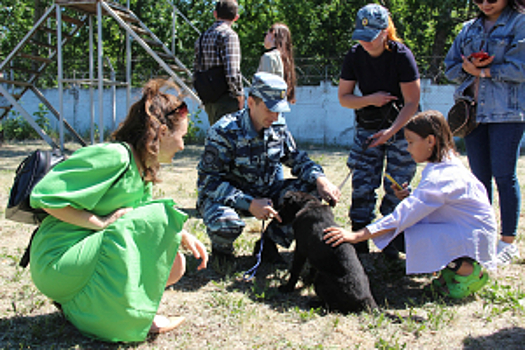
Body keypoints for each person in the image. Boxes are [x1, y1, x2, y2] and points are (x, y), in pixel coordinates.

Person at [29, 79, 208, 342]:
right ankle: (129, 318)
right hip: (56, 257)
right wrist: (101, 222)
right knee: (157, 217)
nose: (183, 145)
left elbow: (143, 216)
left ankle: (81, 310)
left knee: (174, 263)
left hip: (81, 257)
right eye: (182, 136)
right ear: (161, 131)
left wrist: (182, 235)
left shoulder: (141, 168)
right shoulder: (116, 156)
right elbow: (45, 196)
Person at [324, 110, 497, 299]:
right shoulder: (445, 165)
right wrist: (409, 196)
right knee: (403, 232)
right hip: (466, 231)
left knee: (400, 234)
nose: (408, 148)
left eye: (411, 142)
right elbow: (433, 205)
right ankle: (455, 264)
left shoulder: (441, 176)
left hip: (470, 236)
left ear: (430, 141)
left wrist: (356, 235)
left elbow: (403, 216)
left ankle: (467, 268)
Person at [197, 72, 341, 266]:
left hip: (265, 193)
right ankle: (222, 250)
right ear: (251, 103)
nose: (275, 116)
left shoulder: (277, 126)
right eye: (270, 109)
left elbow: (296, 158)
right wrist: (249, 203)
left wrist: (321, 180)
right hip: (230, 199)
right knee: (226, 223)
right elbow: (208, 182)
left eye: (279, 110)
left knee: (312, 194)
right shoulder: (224, 131)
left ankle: (269, 244)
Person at [444, 0, 525, 266]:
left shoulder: (520, 22)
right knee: (479, 180)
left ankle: (508, 241)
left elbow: (520, 68)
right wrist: (468, 68)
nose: (486, 3)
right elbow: (450, 67)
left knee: (504, 175)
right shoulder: (468, 28)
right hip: (472, 115)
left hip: (507, 113)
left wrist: (484, 71)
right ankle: (483, 236)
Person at [338, 3, 421, 258]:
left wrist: (391, 131)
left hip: (402, 129)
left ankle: (392, 240)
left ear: (385, 31)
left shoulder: (401, 55)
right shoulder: (354, 56)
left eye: (371, 37)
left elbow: (412, 103)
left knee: (397, 187)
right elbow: (344, 97)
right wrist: (370, 99)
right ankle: (358, 243)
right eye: (361, 38)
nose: (366, 43)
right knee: (362, 185)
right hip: (368, 127)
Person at [194, 0, 244, 126]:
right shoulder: (229, 35)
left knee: (217, 139)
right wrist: (239, 95)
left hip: (209, 98)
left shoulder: (202, 37)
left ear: (215, 14)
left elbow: (196, 68)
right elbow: (232, 71)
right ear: (236, 17)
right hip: (225, 99)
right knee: (229, 141)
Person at [257, 22, 297, 104]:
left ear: (273, 34)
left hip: (267, 109)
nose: (265, 37)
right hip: (280, 105)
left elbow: (265, 89)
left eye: (266, 34)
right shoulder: (286, 60)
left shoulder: (269, 57)